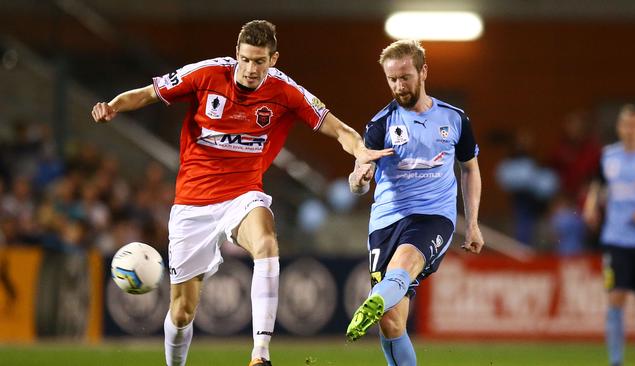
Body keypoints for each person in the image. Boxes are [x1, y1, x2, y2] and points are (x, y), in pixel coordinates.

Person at [91, 20, 393, 366]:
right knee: (181, 312)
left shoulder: (285, 91)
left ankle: (260, 355)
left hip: (243, 194)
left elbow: (338, 129)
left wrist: (360, 150)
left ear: (273, 59)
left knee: (266, 242)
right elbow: (147, 93)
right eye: (246, 60)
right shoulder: (205, 74)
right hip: (193, 202)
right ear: (237, 54)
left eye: (260, 61)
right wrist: (112, 106)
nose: (251, 69)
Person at [345, 40, 484, 365]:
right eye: (392, 79)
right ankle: (381, 302)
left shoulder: (455, 119)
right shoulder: (380, 125)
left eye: (405, 77)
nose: (398, 85)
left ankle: (376, 298)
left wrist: (473, 224)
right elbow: (358, 177)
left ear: (423, 72)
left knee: (404, 265)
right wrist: (358, 181)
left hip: (433, 218)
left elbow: (470, 169)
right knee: (392, 323)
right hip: (386, 222)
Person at [583, 104, 635, 366]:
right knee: (615, 298)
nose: (631, 130)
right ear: (619, 129)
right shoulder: (609, 156)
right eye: (626, 125)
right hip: (616, 239)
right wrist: (590, 205)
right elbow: (597, 185)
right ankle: (616, 362)